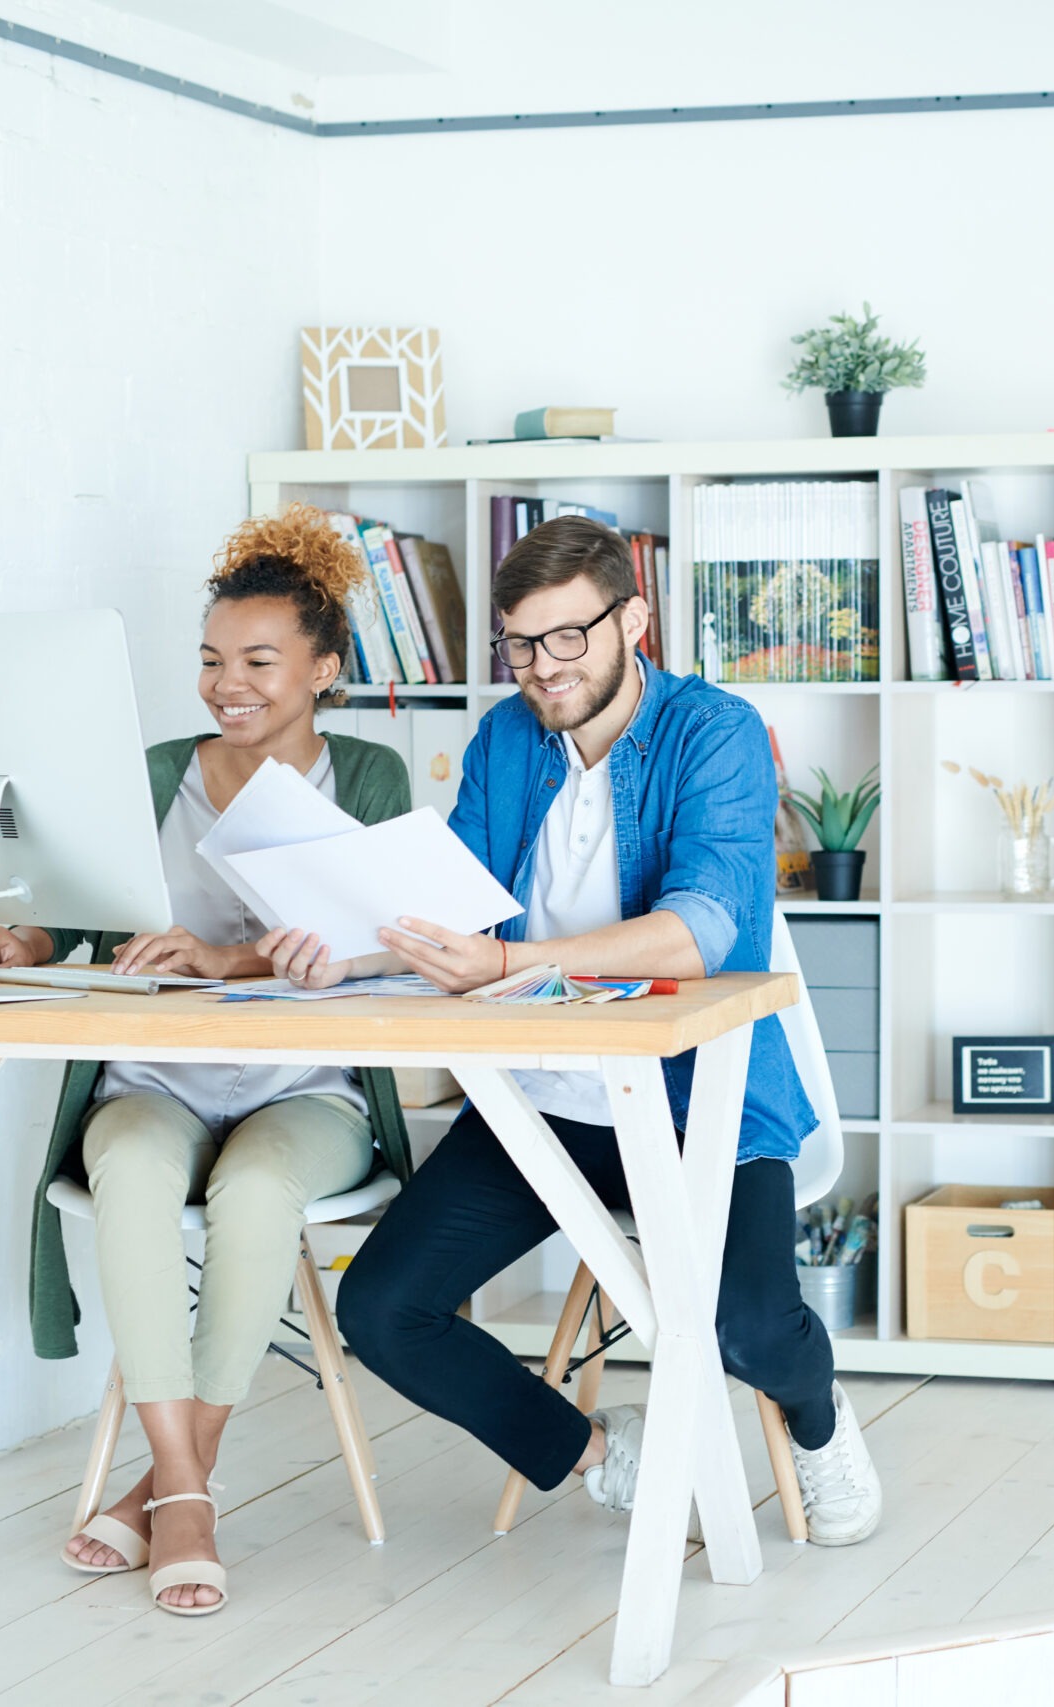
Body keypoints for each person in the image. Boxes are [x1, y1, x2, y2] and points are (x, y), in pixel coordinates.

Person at [262, 514, 884, 1545]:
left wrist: (511, 964)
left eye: (567, 638)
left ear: (632, 618)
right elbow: (445, 903)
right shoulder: (507, 738)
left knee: (747, 1331)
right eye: (519, 644)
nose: (541, 669)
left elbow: (703, 930)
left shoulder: (712, 732)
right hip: (543, 1105)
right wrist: (341, 949)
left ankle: (817, 1424)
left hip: (701, 1105)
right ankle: (602, 1453)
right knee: (383, 1312)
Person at [0, 505, 416, 1612]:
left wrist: (229, 957)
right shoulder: (159, 770)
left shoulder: (368, 778)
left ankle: (170, 1486)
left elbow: (387, 947)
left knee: (257, 1187)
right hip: (157, 1076)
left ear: (323, 669)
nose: (230, 684)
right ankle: (184, 1485)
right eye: (214, 660)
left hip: (304, 1088)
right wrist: (23, 939)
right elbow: (86, 916)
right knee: (125, 1167)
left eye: (261, 661)